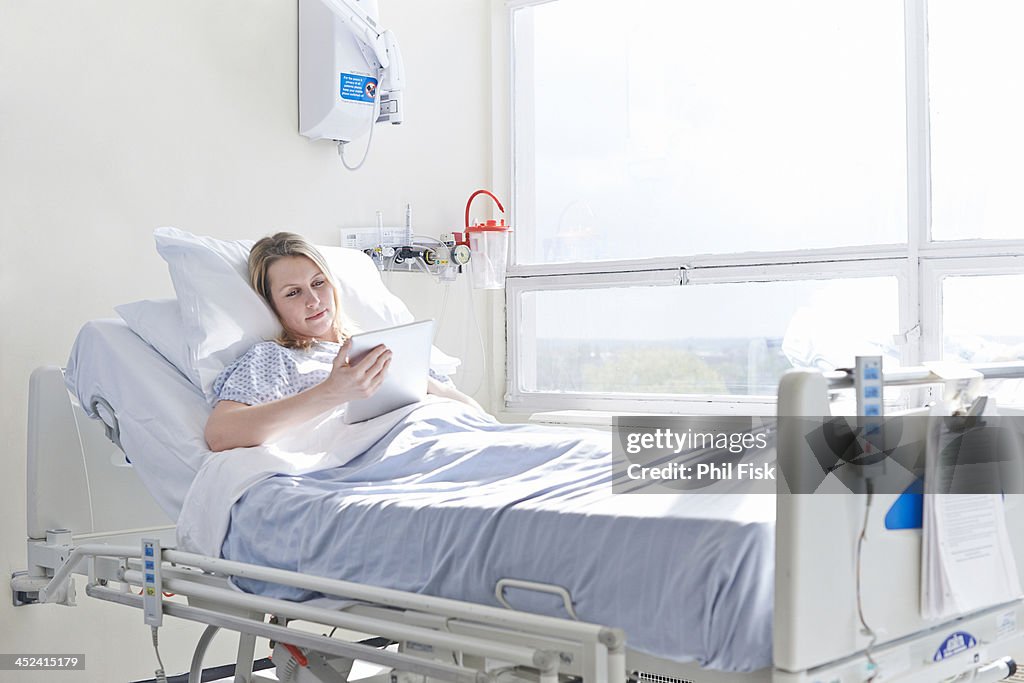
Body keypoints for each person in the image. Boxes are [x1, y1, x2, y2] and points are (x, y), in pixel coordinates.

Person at [204, 232, 482, 452]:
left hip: (449, 441)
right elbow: (221, 434)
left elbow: (475, 415)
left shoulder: (382, 348)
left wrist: (419, 382)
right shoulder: (273, 359)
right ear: (272, 305)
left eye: (318, 283)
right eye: (293, 293)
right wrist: (333, 392)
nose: (313, 301)